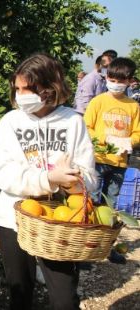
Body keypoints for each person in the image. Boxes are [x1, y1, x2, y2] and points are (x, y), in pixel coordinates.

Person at [0, 53, 97, 310]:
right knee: (20, 295)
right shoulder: (10, 122)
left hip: (60, 222)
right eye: (17, 88)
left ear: (49, 88)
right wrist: (47, 178)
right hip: (13, 219)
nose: (20, 94)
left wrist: (71, 182)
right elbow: (0, 172)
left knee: (64, 300)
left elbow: (89, 178)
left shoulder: (73, 122)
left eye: (28, 88)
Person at [83, 57, 140, 263]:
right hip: (98, 160)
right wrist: (102, 140)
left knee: (112, 205)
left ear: (129, 81)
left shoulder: (133, 106)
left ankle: (107, 247)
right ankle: (87, 249)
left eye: (120, 80)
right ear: (107, 77)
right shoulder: (98, 101)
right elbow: (87, 126)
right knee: (93, 202)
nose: (115, 83)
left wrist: (129, 142)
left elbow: (137, 132)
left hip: (119, 163)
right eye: (112, 78)